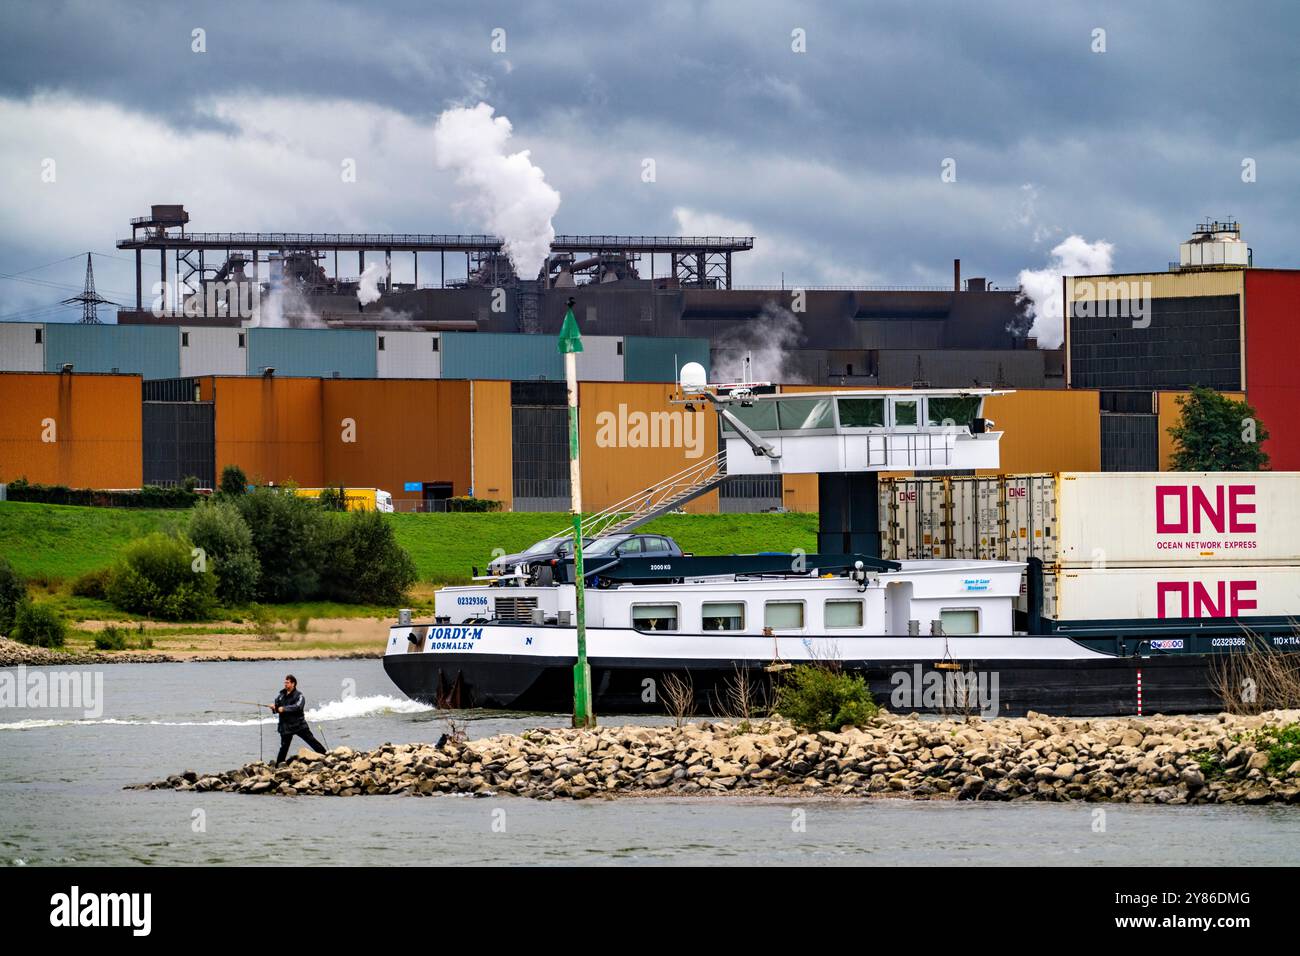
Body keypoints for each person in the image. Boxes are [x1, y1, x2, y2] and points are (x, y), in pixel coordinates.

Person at [269, 674, 326, 765]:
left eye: (287, 683)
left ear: (293, 684)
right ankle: (279, 765)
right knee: (284, 747)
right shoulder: (281, 696)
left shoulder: (299, 696)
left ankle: (325, 755)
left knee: (311, 740)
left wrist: (284, 709)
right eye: (285, 683)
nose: (285, 684)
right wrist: (274, 708)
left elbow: (298, 707)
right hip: (285, 726)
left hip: (299, 725)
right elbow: (277, 709)